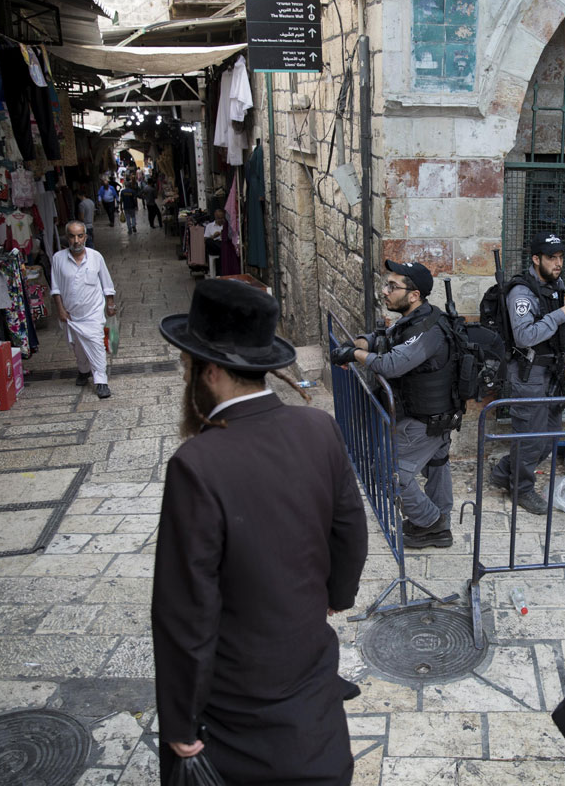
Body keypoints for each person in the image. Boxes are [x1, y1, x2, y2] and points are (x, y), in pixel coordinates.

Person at [153, 279, 368, 786]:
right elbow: (351, 529)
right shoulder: (319, 428)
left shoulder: (196, 465)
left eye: (186, 366)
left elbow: (186, 610)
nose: (184, 375)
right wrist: (336, 593)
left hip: (238, 698)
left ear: (209, 373)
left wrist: (180, 721)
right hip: (309, 672)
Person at [331, 261, 457, 549]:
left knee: (388, 472)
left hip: (425, 419)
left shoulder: (429, 330)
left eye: (392, 286)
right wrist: (364, 341)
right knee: (437, 465)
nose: (384, 292)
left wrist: (354, 354)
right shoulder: (416, 318)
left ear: (414, 295)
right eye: (385, 284)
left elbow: (391, 364)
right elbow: (388, 339)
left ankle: (431, 523)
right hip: (434, 414)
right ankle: (440, 525)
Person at [488, 232, 565, 514]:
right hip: (530, 373)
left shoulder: (554, 285)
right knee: (530, 439)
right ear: (536, 259)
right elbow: (524, 336)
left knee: (550, 438)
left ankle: (505, 470)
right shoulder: (522, 293)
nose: (558, 263)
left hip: (553, 373)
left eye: (560, 257)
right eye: (552, 258)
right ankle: (522, 489)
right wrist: (559, 316)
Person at [50, 221, 117, 399]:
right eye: (72, 236)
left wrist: (110, 304)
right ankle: (83, 370)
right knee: (77, 347)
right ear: (67, 238)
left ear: (85, 237)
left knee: (96, 345)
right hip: (71, 315)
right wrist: (61, 310)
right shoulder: (58, 258)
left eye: (80, 236)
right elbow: (55, 289)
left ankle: (101, 381)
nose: (76, 240)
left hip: (93, 313)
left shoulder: (96, 257)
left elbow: (107, 283)